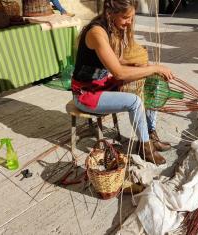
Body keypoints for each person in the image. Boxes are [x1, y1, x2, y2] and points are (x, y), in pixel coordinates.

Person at [72, 0, 174, 165]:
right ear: (110, 13)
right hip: (86, 93)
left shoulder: (111, 28)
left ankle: (150, 134)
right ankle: (144, 147)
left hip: (103, 84)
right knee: (134, 101)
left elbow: (117, 60)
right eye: (126, 17)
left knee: (149, 84)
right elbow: (119, 73)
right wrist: (154, 68)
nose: (129, 22)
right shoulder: (97, 33)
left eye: (132, 17)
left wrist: (143, 67)